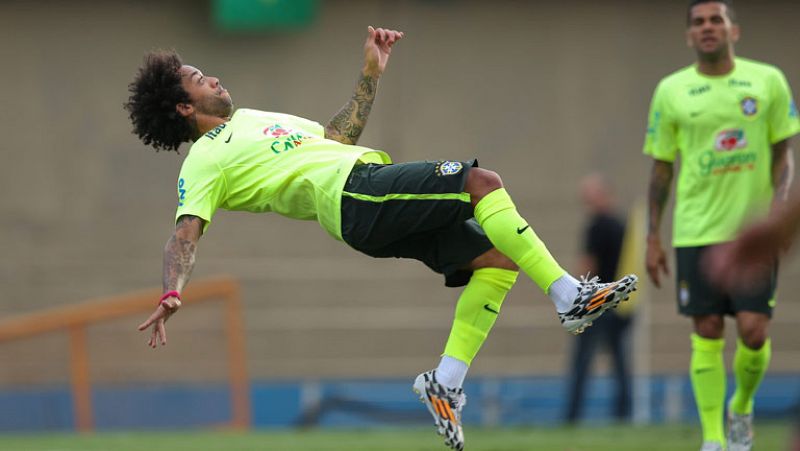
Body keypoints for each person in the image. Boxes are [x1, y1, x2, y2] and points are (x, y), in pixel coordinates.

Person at [124, 26, 638, 451]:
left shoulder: (254, 120)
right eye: (197, 78)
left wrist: (370, 72)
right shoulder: (204, 158)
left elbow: (336, 139)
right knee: (482, 183)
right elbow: (183, 233)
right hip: (353, 196)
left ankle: (446, 383)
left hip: (361, 189)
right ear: (183, 109)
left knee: (497, 258)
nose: (211, 77)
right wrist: (172, 291)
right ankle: (568, 295)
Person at [643, 1, 800, 450]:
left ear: (735, 30)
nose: (707, 28)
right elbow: (661, 170)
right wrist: (654, 236)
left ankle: (742, 407)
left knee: (754, 329)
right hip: (695, 230)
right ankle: (714, 438)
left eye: (716, 20)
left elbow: (783, 153)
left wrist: (779, 213)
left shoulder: (767, 81)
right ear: (689, 36)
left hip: (751, 232)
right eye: (699, 22)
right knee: (707, 329)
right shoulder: (671, 91)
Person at [564, 174, 633, 424]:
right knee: (620, 362)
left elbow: (587, 266)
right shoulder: (622, 226)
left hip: (595, 303)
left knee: (582, 362)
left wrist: (575, 301)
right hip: (620, 303)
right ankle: (624, 415)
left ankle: (572, 416)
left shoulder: (596, 227)